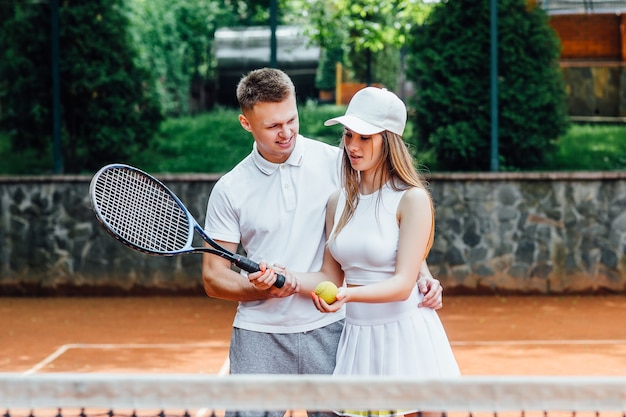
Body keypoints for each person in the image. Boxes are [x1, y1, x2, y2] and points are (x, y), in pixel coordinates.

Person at [201, 68, 444, 417]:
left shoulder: (340, 164)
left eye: (292, 119)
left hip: (333, 329)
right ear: (246, 123)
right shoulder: (229, 189)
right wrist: (265, 288)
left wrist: (421, 271)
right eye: (272, 126)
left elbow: (385, 219)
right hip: (259, 336)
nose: (286, 133)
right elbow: (213, 277)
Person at [271, 86, 460, 416]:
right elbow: (329, 276)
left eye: (365, 137)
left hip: (407, 337)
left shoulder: (412, 199)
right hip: (357, 339)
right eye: (348, 135)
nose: (352, 146)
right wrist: (285, 277)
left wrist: (346, 296)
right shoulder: (337, 202)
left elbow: (403, 285)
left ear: (388, 140)